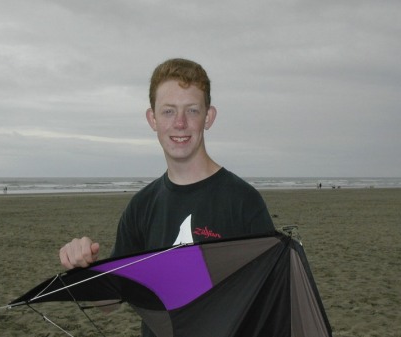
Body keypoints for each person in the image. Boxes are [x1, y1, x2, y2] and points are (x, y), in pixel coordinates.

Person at [59, 58, 276, 336]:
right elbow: (109, 302)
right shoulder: (141, 207)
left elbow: (270, 299)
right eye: (168, 111)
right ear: (153, 119)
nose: (180, 124)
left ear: (208, 117)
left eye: (192, 110)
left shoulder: (244, 202)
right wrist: (85, 267)